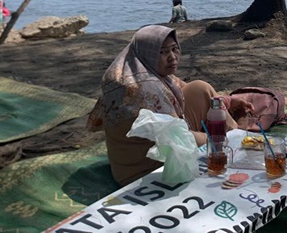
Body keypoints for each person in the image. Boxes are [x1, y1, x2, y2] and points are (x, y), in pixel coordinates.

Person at [87, 25, 254, 186]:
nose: (173, 57)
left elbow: (187, 90)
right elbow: (180, 139)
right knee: (215, 134)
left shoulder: (140, 71)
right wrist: (218, 140)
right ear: (148, 54)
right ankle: (236, 140)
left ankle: (237, 136)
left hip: (155, 150)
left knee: (200, 88)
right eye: (163, 52)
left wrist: (228, 102)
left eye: (175, 49)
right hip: (143, 171)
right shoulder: (146, 87)